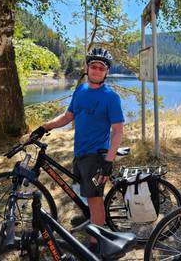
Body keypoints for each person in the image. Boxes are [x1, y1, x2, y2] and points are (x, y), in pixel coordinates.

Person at [30, 47, 124, 247]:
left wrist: (108, 161)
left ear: (106, 72)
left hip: (96, 157)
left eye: (101, 68)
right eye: (93, 66)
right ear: (87, 68)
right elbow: (67, 116)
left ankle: (94, 246)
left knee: (95, 200)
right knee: (84, 194)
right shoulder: (80, 90)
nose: (97, 70)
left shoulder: (111, 97)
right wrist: (44, 127)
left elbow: (117, 131)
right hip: (79, 153)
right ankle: (90, 220)